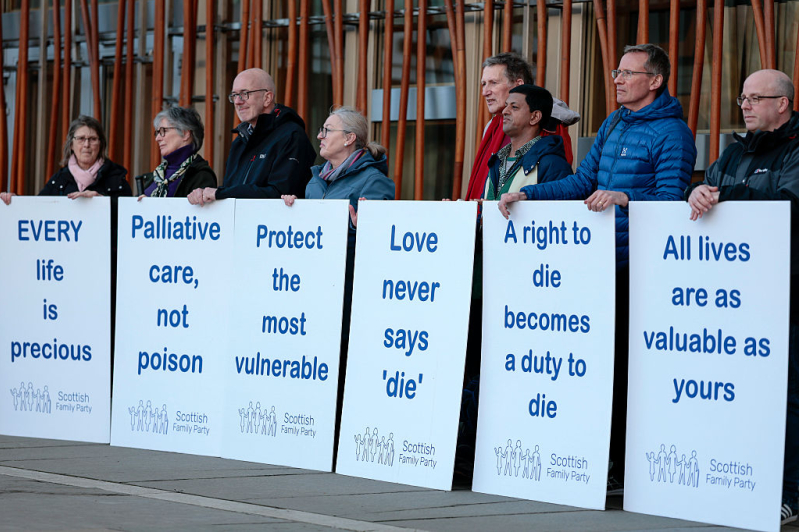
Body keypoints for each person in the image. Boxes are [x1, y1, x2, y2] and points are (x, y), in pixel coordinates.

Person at [497, 43, 697, 490]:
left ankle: (624, 469)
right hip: (596, 265)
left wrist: (625, 197)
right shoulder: (612, 124)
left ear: (656, 80)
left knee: (628, 372)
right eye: (616, 72)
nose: (618, 79)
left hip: (638, 269)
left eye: (629, 73)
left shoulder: (674, 134)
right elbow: (582, 183)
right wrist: (529, 195)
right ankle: (596, 459)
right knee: (597, 368)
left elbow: (671, 203)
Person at [685, 69, 799, 525]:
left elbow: (788, 202)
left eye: (756, 98)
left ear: (783, 104)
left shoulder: (795, 149)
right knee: (739, 392)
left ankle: (790, 490)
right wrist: (696, 192)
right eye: (742, 98)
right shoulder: (732, 153)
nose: (745, 106)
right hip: (734, 297)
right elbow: (708, 189)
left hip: (787, 292)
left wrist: (725, 195)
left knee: (788, 394)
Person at [282, 106, 394, 461]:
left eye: (327, 129)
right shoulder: (316, 180)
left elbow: (380, 236)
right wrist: (294, 210)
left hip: (349, 290)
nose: (319, 136)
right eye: (321, 129)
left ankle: (340, 441)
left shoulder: (374, 180)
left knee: (344, 362)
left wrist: (355, 226)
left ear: (350, 139)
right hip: (315, 290)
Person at [188, 68, 315, 205]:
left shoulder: (292, 136)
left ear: (267, 98)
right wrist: (204, 194)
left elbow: (280, 194)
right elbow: (231, 192)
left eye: (245, 94)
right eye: (234, 95)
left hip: (273, 226)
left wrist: (219, 193)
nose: (237, 101)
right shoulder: (240, 141)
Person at [465, 52, 580, 201]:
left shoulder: (551, 126)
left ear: (519, 85)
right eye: (484, 84)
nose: (485, 92)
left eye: (493, 82)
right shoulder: (492, 127)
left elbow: (555, 193)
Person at [1, 115, 131, 204]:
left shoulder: (116, 177)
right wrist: (15, 202)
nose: (86, 145)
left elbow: (128, 216)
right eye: (81, 139)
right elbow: (38, 210)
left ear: (101, 144)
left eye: (92, 139)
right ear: (71, 145)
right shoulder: (59, 180)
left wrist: (101, 201)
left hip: (105, 244)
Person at [483, 84, 572, 201]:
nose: (504, 111)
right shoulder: (497, 160)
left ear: (535, 117)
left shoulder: (553, 165)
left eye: (514, 107)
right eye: (506, 106)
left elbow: (559, 216)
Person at [140, 106, 216, 198]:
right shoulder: (157, 175)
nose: (157, 138)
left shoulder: (201, 176)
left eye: (163, 131)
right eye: (157, 133)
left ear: (185, 134)